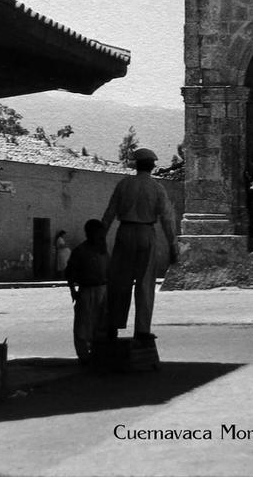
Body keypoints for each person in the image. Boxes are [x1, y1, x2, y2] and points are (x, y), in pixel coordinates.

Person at [102, 147, 178, 343]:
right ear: (152, 166)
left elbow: (110, 213)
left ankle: (112, 325)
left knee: (120, 281)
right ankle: (142, 329)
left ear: (135, 165)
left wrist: (100, 237)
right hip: (146, 232)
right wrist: (172, 245)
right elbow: (167, 219)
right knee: (145, 283)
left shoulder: (124, 184)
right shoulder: (157, 188)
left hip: (125, 231)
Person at [65, 219, 109, 364]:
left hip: (102, 289)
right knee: (83, 324)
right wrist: (73, 291)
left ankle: (98, 352)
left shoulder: (103, 249)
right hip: (86, 290)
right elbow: (70, 273)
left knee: (101, 323)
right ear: (90, 233)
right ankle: (83, 355)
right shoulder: (80, 251)